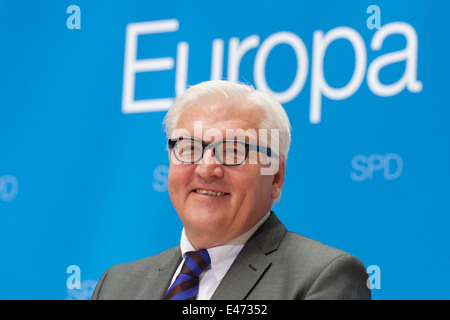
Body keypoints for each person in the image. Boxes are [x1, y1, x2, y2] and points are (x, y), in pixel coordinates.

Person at [92, 80, 371, 300]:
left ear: (275, 175)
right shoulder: (115, 286)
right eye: (189, 148)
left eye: (233, 151)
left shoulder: (323, 277)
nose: (206, 168)